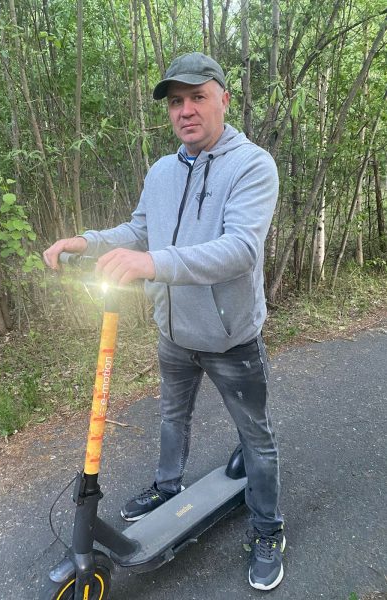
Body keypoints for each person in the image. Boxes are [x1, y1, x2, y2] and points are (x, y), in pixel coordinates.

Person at [43, 52, 284, 591]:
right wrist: (85, 241)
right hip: (173, 332)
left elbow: (241, 250)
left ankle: (268, 528)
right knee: (173, 417)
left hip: (230, 338)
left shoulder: (252, 165)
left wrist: (152, 264)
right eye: (176, 101)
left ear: (224, 99)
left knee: (257, 439)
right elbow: (139, 231)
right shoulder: (161, 171)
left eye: (198, 97)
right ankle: (167, 486)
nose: (186, 110)